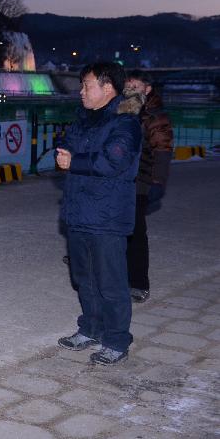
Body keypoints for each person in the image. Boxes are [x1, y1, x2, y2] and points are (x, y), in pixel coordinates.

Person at [56, 62, 143, 366]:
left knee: (111, 282)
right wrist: (68, 155)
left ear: (108, 88)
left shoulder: (126, 123)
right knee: (84, 278)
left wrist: (74, 160)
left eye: (87, 85)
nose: (81, 91)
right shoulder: (84, 119)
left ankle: (117, 340)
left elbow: (113, 162)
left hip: (107, 217)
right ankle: (90, 328)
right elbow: (65, 146)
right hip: (79, 211)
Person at [123, 70, 172, 303]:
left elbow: (163, 150)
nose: (130, 86)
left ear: (148, 88)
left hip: (141, 181)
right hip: (119, 179)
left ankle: (139, 283)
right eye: (127, 83)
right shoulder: (124, 109)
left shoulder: (155, 117)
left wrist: (158, 181)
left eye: (135, 83)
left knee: (136, 233)